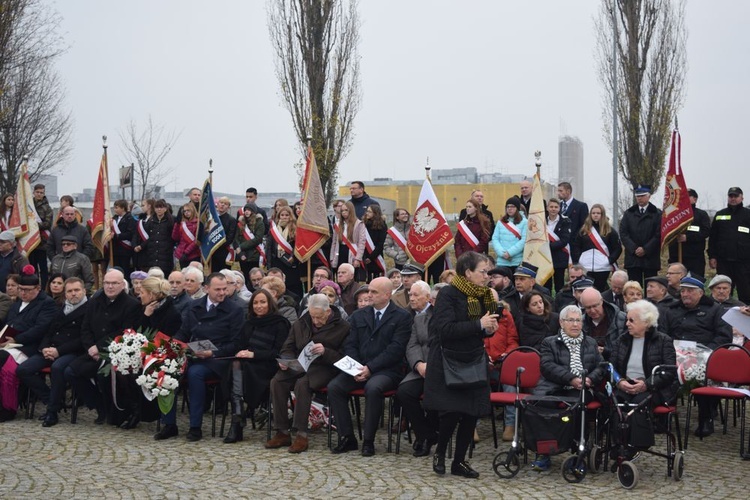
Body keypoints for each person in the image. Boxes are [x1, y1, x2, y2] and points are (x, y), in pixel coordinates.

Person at [423, 251, 497, 479]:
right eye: (483, 272)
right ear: (468, 272)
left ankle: (459, 461)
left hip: (473, 358)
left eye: (488, 272)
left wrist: (488, 329)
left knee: (471, 412)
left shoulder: (484, 295)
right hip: (449, 361)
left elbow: (480, 330)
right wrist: (478, 325)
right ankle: (440, 453)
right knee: (452, 412)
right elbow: (444, 330)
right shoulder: (448, 294)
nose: (487, 277)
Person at [328, 277, 412, 457]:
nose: (369, 295)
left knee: (373, 388)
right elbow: (350, 344)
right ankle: (347, 437)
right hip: (359, 368)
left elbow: (396, 349)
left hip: (387, 371)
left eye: (374, 292)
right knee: (335, 387)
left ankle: (368, 440)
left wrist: (370, 368)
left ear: (387, 295)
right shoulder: (359, 315)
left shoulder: (402, 317)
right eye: (369, 291)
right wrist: (358, 368)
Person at [155, 273, 244, 442]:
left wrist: (213, 352)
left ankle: (195, 427)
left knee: (195, 373)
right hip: (193, 354)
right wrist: (171, 345)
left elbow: (237, 343)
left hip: (218, 360)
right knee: (166, 368)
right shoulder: (195, 306)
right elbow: (184, 332)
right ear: (206, 288)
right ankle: (169, 424)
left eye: (225, 289)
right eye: (218, 289)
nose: (222, 293)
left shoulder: (234, 310)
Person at [266, 294, 350, 453]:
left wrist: (326, 351)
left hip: (325, 367)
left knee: (302, 384)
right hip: (300, 364)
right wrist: (286, 360)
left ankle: (301, 434)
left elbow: (345, 357)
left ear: (328, 312)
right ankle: (282, 431)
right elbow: (288, 347)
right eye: (313, 317)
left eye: (319, 317)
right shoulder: (302, 322)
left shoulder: (343, 326)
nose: (316, 321)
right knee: (277, 381)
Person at [530, 305, 605, 471]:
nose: (575, 324)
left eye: (578, 320)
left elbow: (601, 366)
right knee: (542, 405)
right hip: (553, 386)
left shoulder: (590, 342)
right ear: (561, 322)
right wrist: (571, 378)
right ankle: (544, 453)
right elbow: (547, 366)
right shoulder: (549, 342)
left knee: (578, 407)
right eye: (571, 320)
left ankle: (578, 452)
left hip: (582, 388)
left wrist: (589, 380)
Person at [64, 269, 140, 425]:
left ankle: (117, 412)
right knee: (71, 372)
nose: (110, 286)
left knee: (103, 375)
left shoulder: (132, 305)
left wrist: (100, 347)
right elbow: (85, 328)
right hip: (92, 351)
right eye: (106, 283)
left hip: (115, 353)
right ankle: (99, 406)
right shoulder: (95, 301)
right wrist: (91, 347)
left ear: (122, 284)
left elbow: (125, 332)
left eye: (114, 283)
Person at [661, 275, 733, 437]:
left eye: (690, 291)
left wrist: (705, 353)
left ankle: (705, 418)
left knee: (700, 374)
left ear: (700, 293)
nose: (685, 294)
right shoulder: (671, 310)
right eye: (683, 291)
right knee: (662, 372)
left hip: (704, 357)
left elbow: (724, 337)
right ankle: (663, 414)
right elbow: (663, 334)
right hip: (675, 355)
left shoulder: (715, 310)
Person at [16, 277, 88, 427]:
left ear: (84, 291)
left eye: (76, 290)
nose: (73, 294)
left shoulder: (89, 309)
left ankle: (52, 411)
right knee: (24, 369)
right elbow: (49, 331)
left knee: (57, 368)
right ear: (65, 293)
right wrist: (44, 348)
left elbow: (83, 339)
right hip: (51, 349)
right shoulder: (60, 307)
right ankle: (51, 399)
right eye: (69, 291)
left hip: (73, 352)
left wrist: (58, 351)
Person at [222, 288, 290, 443]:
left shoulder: (280, 323)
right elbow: (239, 344)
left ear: (270, 303)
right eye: (255, 303)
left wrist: (254, 355)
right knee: (235, 364)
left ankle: (237, 421)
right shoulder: (249, 323)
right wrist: (241, 351)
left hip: (268, 366)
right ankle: (237, 417)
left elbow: (279, 352)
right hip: (247, 365)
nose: (259, 306)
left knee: (237, 369)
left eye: (263, 302)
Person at [0, 266, 57, 421]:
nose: (23, 293)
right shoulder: (17, 304)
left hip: (30, 347)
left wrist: (16, 339)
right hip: (9, 344)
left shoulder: (46, 303)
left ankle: (5, 408)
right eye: (20, 289)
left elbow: (39, 329)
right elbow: (7, 323)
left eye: (27, 290)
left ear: (38, 288)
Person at [397, 283, 439, 457]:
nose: (411, 298)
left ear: (428, 297)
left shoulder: (438, 315)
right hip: (419, 368)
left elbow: (443, 344)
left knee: (433, 394)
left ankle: (425, 438)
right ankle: (426, 434)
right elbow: (412, 344)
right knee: (404, 392)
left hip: (439, 369)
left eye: (416, 295)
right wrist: (419, 364)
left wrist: (432, 365)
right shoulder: (417, 318)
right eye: (410, 295)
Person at [610, 300, 677, 407]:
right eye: (627, 320)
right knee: (615, 403)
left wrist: (647, 384)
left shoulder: (663, 341)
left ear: (646, 322)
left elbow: (669, 372)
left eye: (631, 320)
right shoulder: (622, 340)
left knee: (638, 405)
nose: (627, 324)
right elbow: (611, 367)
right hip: (625, 386)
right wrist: (620, 382)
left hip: (653, 389)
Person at [707, 186, 750, 304]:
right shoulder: (720, 215)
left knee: (746, 293)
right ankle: (722, 317)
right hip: (724, 262)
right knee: (723, 293)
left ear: (742, 198)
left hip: (744, 263)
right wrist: (712, 256)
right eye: (731, 196)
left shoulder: (748, 215)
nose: (733, 198)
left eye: (736, 196)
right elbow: (713, 238)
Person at [572, 203, 622, 292]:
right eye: (593, 213)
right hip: (586, 267)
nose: (595, 215)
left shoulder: (610, 230)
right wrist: (580, 259)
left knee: (600, 290)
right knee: (586, 290)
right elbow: (576, 246)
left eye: (598, 213)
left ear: (602, 215)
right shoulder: (584, 230)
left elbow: (617, 248)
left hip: (603, 268)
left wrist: (609, 261)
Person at [619, 185, 662, 286]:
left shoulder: (657, 213)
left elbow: (658, 234)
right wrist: (634, 249)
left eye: (642, 196)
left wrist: (646, 249)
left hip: (650, 258)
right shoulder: (629, 213)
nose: (640, 198)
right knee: (634, 288)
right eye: (638, 196)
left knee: (651, 287)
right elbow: (623, 233)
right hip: (633, 259)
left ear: (649, 196)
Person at [668, 189, 710, 277]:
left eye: (688, 196)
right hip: (676, 257)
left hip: (695, 258)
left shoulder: (701, 215)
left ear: (695, 199)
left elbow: (706, 232)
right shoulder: (673, 214)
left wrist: (688, 237)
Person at [579, 287, 626, 359]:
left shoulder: (621, 319)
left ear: (602, 301)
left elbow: (625, 350)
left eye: (595, 306)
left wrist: (605, 351)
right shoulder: (581, 323)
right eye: (588, 308)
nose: (592, 311)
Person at [267, 205, 302, 298]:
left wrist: (293, 257)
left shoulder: (295, 229)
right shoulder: (273, 231)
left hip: (290, 263)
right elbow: (269, 249)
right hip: (277, 262)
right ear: (279, 216)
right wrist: (269, 266)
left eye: (287, 215)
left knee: (292, 288)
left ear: (290, 216)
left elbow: (297, 246)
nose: (284, 217)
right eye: (282, 215)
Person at [134, 199, 175, 276]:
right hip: (152, 255)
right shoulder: (151, 221)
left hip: (165, 255)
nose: (159, 209)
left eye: (161, 207)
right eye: (157, 207)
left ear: (165, 209)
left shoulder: (171, 220)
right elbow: (148, 237)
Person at [330, 201, 366, 280]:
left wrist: (358, 259)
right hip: (340, 252)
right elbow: (334, 242)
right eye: (342, 210)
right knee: (340, 277)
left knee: (352, 278)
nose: (344, 212)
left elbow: (362, 243)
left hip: (352, 253)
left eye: (346, 210)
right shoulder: (338, 224)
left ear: (351, 210)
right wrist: (332, 257)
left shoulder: (359, 224)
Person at [491, 196, 527, 269]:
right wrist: (502, 253)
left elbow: (524, 240)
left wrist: (510, 253)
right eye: (508, 207)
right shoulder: (500, 222)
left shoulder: (525, 222)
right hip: (502, 261)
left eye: (513, 206)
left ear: (517, 208)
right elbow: (495, 239)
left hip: (517, 261)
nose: (510, 209)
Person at [545, 198, 572, 294]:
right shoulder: (542, 221)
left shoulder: (565, 221)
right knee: (546, 286)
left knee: (559, 286)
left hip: (559, 258)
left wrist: (548, 247)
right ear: (547, 208)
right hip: (545, 258)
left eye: (556, 207)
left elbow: (564, 240)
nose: (553, 209)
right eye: (551, 207)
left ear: (559, 208)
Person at [31, 184, 54, 287]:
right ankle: (33, 286)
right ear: (34, 192)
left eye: (41, 193)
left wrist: (34, 226)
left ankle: (44, 288)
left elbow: (47, 224)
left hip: (42, 241)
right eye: (37, 192)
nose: (39, 194)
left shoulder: (47, 208)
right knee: (32, 267)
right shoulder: (29, 205)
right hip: (31, 242)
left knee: (43, 268)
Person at [235, 202, 265, 280]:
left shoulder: (259, 223)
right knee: (245, 277)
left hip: (254, 255)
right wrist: (241, 253)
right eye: (245, 210)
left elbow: (258, 239)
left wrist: (241, 246)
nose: (247, 212)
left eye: (249, 210)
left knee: (255, 277)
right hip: (243, 255)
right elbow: (236, 239)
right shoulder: (241, 223)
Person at [211, 197, 237, 273]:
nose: (222, 205)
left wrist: (218, 245)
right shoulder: (212, 218)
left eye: (225, 204)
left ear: (228, 207)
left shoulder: (231, 220)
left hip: (224, 251)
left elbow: (230, 237)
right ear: (217, 204)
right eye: (221, 203)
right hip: (212, 251)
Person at [111, 199, 136, 278]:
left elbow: (130, 234)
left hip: (125, 249)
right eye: (114, 207)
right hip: (115, 249)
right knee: (116, 270)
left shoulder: (130, 219)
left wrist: (117, 236)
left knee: (125, 270)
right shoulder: (114, 219)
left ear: (123, 208)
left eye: (117, 207)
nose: (115, 209)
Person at [362, 204, 387, 281]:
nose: (367, 213)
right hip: (364, 255)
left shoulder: (382, 225)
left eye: (369, 212)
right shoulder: (363, 224)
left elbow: (381, 243)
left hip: (376, 256)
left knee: (376, 279)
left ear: (375, 213)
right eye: (367, 211)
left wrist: (371, 257)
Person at [172, 202, 200, 268]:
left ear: (193, 211)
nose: (186, 213)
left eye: (188, 210)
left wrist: (186, 253)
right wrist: (177, 223)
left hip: (193, 254)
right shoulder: (182, 223)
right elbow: (175, 237)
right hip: (181, 254)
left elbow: (197, 240)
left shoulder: (198, 223)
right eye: (184, 211)